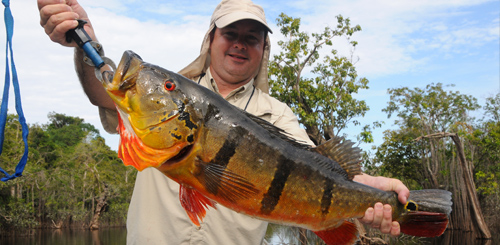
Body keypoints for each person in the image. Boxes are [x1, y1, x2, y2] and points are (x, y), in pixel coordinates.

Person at [38, 0, 410, 244]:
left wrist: (374, 190)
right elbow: (103, 90)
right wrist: (84, 43)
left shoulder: (278, 114)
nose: (239, 44)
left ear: (263, 51)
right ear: (210, 40)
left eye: (252, 38)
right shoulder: (168, 101)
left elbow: (320, 171)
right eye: (230, 34)